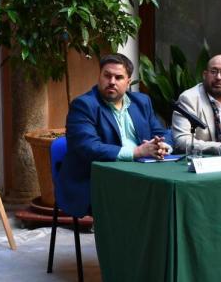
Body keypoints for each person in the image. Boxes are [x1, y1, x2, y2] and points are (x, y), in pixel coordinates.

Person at [61, 53, 172, 216]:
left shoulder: (142, 102)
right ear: (99, 77)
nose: (111, 82)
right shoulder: (84, 105)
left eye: (118, 77)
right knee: (147, 202)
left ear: (128, 82)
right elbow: (88, 147)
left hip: (141, 174)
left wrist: (162, 145)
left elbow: (161, 132)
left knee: (169, 192)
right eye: (107, 76)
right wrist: (137, 152)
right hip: (98, 180)